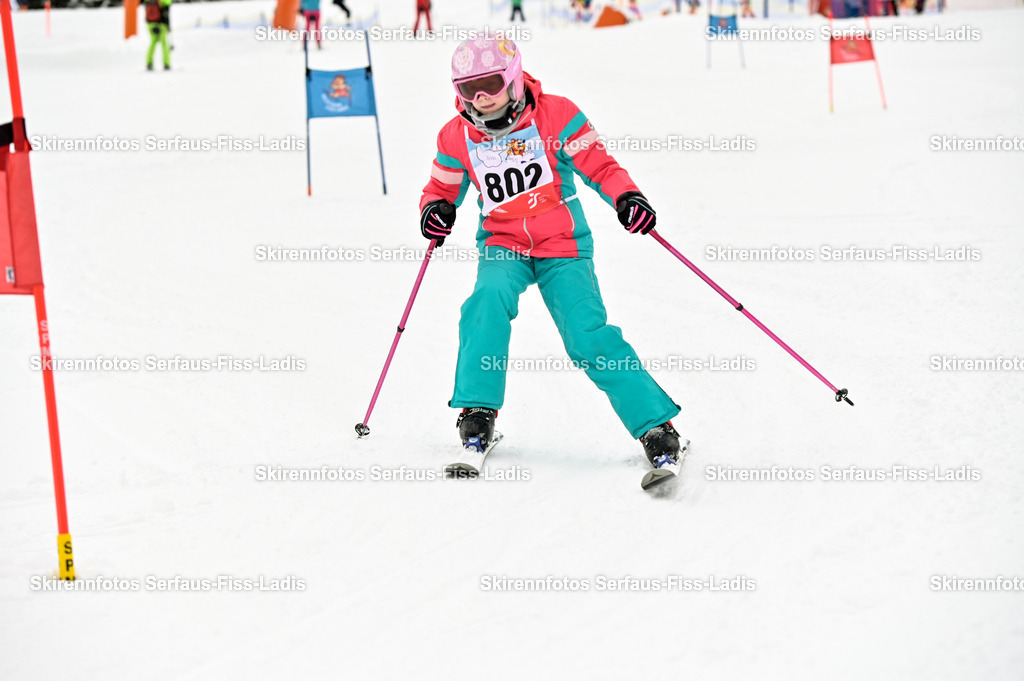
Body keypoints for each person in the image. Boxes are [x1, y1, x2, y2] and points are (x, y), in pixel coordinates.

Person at [419, 37, 684, 474]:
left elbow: (601, 167)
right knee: (485, 303)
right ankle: (477, 411)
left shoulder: (556, 114)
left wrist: (626, 197)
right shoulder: (455, 136)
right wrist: (435, 209)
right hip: (503, 244)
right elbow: (440, 188)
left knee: (586, 334)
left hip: (563, 245)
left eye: (490, 85)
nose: (480, 98)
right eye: (469, 89)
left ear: (512, 80)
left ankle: (656, 426)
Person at [143, 0, 172, 71]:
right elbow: (166, 12)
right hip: (161, 25)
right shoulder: (165, 1)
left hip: (150, 25)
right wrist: (168, 26)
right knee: (164, 44)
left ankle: (149, 62)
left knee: (152, 43)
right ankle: (166, 63)